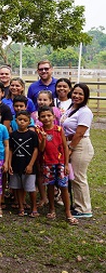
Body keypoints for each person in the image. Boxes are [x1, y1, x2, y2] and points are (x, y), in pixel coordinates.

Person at [37, 106, 78, 225]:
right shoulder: (39, 131)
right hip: (47, 163)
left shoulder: (59, 129)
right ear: (39, 118)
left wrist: (66, 164)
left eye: (49, 116)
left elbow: (65, 147)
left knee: (64, 187)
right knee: (50, 186)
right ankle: (52, 209)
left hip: (60, 162)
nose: (46, 118)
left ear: (53, 117)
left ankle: (68, 212)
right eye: (43, 116)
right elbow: (41, 149)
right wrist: (44, 138)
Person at [61, 83, 94, 219]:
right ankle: (78, 204)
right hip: (70, 144)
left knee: (79, 177)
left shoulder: (85, 112)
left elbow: (79, 133)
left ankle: (84, 208)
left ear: (85, 97)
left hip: (80, 146)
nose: (77, 96)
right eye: (75, 93)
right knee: (73, 177)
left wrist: (70, 148)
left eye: (81, 94)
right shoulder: (72, 108)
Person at [8, 110, 39, 218]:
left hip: (28, 166)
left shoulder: (32, 135)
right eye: (20, 120)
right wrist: (9, 164)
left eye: (25, 120)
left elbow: (35, 150)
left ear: (29, 121)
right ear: (15, 120)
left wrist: (30, 165)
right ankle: (21, 207)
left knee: (31, 188)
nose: (22, 122)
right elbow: (10, 149)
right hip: (16, 165)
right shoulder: (12, 135)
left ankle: (34, 208)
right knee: (18, 187)